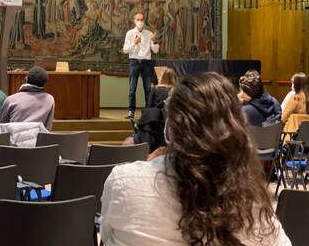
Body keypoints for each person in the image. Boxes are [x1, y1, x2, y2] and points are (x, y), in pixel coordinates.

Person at [101, 73, 291, 245]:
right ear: (237, 129)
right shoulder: (253, 202)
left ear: (171, 128)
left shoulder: (124, 181)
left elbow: (106, 234)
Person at [123, 13, 159, 118]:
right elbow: (125, 50)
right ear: (134, 20)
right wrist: (134, 43)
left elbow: (155, 50)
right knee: (132, 88)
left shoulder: (149, 33)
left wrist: (155, 41)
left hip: (146, 62)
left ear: (144, 21)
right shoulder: (130, 33)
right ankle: (131, 111)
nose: (140, 21)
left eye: (142, 19)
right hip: (134, 62)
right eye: (138, 19)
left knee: (148, 88)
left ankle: (148, 111)